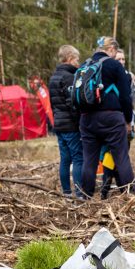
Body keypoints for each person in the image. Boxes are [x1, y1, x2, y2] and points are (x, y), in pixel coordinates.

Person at [77, 36, 134, 198]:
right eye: (115, 52)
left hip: (87, 118)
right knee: (121, 157)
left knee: (89, 160)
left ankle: (85, 196)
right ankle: (129, 194)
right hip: (111, 118)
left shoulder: (84, 65)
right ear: (111, 49)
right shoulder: (114, 65)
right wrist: (128, 120)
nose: (116, 56)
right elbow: (125, 96)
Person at [49, 44, 82, 197]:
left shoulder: (53, 77)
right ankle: (80, 193)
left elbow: (53, 103)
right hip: (70, 125)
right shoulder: (69, 77)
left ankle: (66, 192)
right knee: (77, 158)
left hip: (59, 125)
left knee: (65, 159)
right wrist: (79, 122)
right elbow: (72, 104)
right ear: (69, 59)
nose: (78, 63)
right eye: (77, 60)